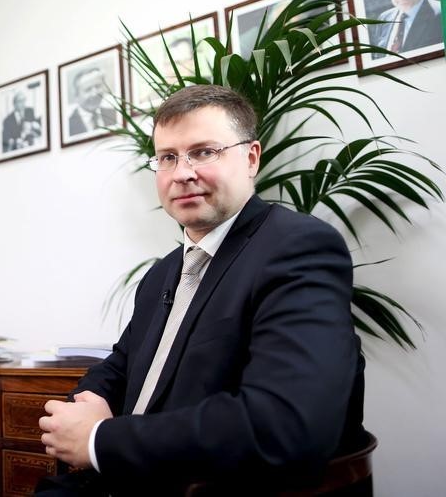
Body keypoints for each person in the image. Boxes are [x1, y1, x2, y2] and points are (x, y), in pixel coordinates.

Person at [37, 85, 366, 496]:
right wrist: (86, 404)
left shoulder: (296, 248)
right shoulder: (164, 273)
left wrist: (99, 440)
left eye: (204, 152)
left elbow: (284, 425)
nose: (181, 173)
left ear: (250, 158)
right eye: (168, 157)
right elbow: (118, 367)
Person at [67, 67, 117, 137]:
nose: (95, 93)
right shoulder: (68, 126)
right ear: (76, 96)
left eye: (98, 86)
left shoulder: (114, 114)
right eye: (88, 90)